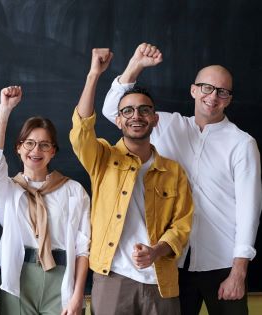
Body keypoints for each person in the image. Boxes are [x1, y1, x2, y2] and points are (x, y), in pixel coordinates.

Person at [102, 43, 262, 315]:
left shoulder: (242, 143)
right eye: (207, 88)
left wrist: (239, 271)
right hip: (171, 261)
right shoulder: (164, 124)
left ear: (229, 99)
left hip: (222, 263)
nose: (213, 97)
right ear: (194, 90)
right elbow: (112, 110)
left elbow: (250, 210)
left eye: (222, 92)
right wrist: (135, 65)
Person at [71, 48, 193, 315]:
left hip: (161, 282)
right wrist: (94, 75)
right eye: (127, 111)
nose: (136, 116)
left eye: (143, 110)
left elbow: (182, 224)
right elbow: (81, 130)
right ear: (118, 120)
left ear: (154, 119)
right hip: (112, 277)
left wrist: (157, 251)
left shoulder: (173, 171)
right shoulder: (102, 157)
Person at [0, 86, 90, 315]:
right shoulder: (8, 190)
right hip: (19, 277)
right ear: (19, 148)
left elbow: (83, 249)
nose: (36, 150)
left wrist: (78, 295)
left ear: (53, 152)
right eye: (29, 143)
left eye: (44, 144)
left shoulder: (73, 191)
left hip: (61, 278)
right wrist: (5, 109)